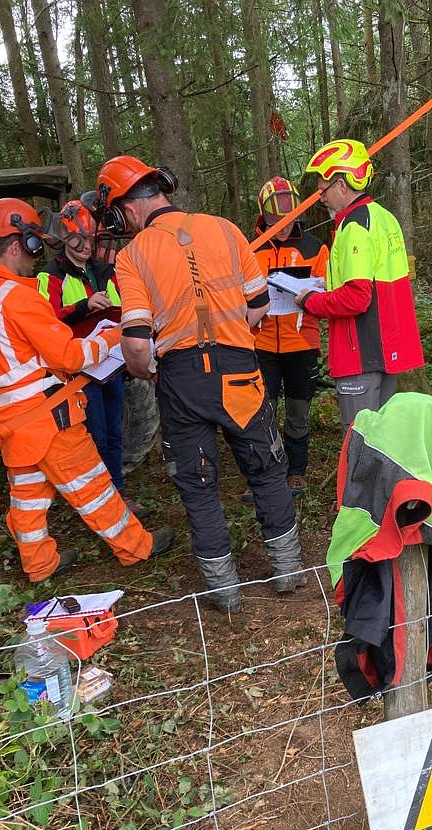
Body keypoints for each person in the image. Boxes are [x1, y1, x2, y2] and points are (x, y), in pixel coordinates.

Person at [88, 155, 304, 612]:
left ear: (125, 208)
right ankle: (287, 569)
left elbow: (137, 342)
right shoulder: (225, 229)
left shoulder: (132, 256)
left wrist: (145, 369)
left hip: (180, 377)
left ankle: (225, 591)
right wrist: (230, 333)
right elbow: (258, 306)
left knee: (198, 483)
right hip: (239, 369)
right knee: (266, 468)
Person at [0, 198, 174, 582]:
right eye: (34, 244)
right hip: (48, 418)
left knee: (28, 497)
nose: (37, 256)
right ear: (16, 244)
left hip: (13, 419)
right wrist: (114, 337)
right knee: (93, 486)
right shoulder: (17, 297)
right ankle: (137, 547)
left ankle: (39, 564)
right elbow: (69, 355)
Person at [296, 138, 425, 433]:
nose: (321, 198)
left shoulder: (354, 226)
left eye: (323, 190)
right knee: (382, 440)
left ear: (342, 185)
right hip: (387, 348)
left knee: (359, 441)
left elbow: (357, 297)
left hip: (360, 352)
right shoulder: (384, 217)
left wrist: (310, 300)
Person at [37, 200, 147, 518]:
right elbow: (44, 322)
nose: (85, 246)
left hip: (110, 365)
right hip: (78, 371)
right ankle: (99, 503)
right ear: (65, 239)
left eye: (89, 239)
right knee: (94, 435)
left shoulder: (105, 271)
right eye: (78, 240)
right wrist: (83, 307)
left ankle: (118, 495)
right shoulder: (50, 276)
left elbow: (125, 307)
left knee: (114, 432)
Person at [248, 177, 328, 497]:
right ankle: (268, 472)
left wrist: (311, 293)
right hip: (261, 343)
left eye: (289, 220)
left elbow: (328, 293)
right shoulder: (251, 250)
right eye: (275, 222)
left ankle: (296, 471)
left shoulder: (314, 248)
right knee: (262, 412)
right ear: (263, 218)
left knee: (297, 411)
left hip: (301, 342)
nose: (282, 228)